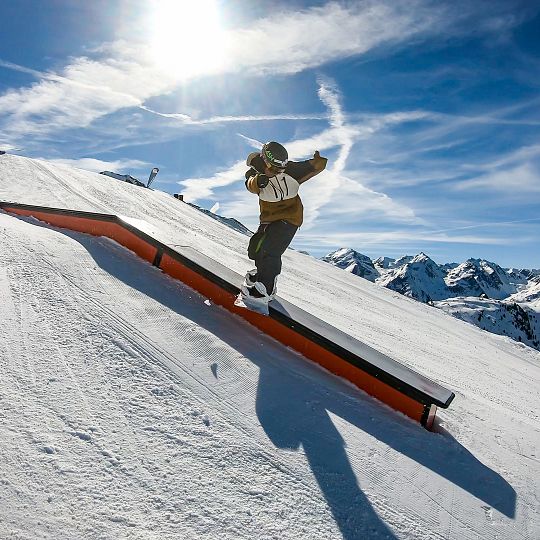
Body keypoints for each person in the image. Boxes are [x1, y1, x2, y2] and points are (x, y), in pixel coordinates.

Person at [238, 141, 327, 310]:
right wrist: (260, 180)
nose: (279, 172)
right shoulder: (255, 173)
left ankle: (266, 289)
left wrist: (317, 161)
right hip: (268, 219)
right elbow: (250, 183)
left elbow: (315, 166)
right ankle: (261, 275)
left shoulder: (291, 170)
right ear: (265, 161)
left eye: (281, 169)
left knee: (271, 250)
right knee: (256, 248)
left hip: (290, 218)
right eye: (275, 169)